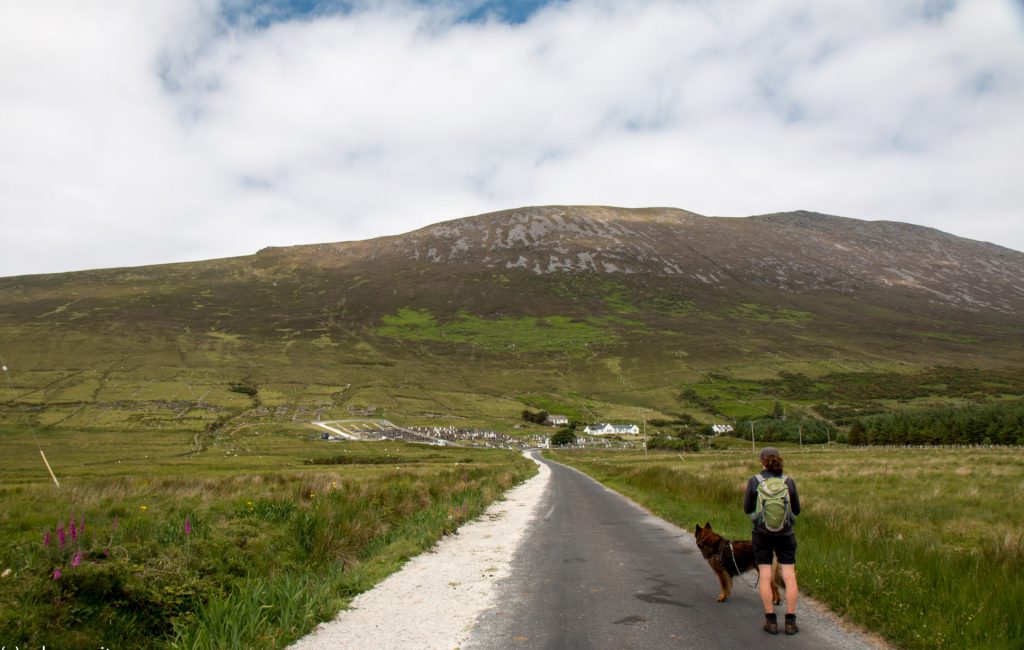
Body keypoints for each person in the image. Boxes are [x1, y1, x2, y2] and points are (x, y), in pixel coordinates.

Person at [743, 446, 801, 635]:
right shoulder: (788, 482)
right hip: (786, 534)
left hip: (761, 535)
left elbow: (747, 509)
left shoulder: (755, 481)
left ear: (762, 461)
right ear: (779, 459)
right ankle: (791, 622)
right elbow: (797, 510)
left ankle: (771, 621)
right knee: (789, 576)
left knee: (766, 576)